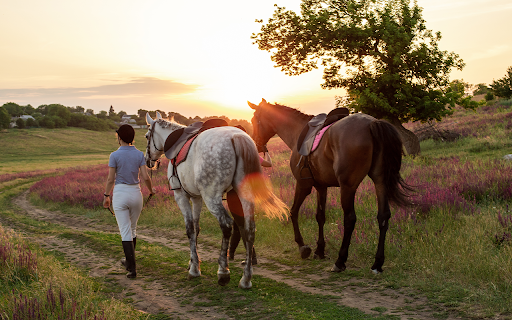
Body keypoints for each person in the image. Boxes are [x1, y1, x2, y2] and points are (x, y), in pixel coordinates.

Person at [103, 124, 155, 278]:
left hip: (120, 193)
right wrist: (151, 191)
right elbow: (145, 177)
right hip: (136, 193)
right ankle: (128, 261)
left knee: (125, 231)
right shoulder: (139, 154)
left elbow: (111, 179)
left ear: (120, 137)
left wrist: (106, 196)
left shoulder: (114, 155)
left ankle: (132, 268)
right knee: (132, 229)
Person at [228, 125, 273, 265]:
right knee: (239, 224)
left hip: (234, 193)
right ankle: (231, 254)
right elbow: (269, 164)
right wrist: (266, 152)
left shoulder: (231, 154)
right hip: (249, 193)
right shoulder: (250, 153)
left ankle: (251, 257)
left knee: (241, 225)